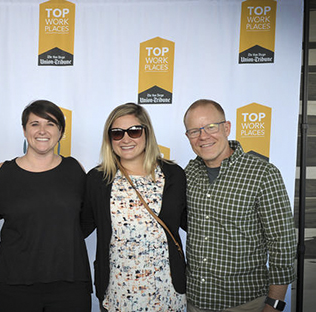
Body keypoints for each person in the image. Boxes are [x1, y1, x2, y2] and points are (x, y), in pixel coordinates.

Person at [183, 99, 296, 312]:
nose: (203, 136)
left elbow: (283, 243)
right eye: (194, 131)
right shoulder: (187, 174)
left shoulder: (263, 174)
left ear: (226, 127)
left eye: (211, 127)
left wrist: (275, 304)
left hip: (246, 303)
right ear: (188, 137)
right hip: (195, 301)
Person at [82, 103, 187, 312]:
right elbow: (79, 228)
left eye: (134, 131)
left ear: (147, 134)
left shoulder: (174, 174)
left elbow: (193, 223)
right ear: (109, 139)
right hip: (117, 294)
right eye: (117, 133)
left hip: (167, 292)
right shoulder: (98, 179)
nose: (126, 139)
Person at [0, 100, 92, 312]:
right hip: (15, 286)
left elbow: (86, 221)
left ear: (61, 131)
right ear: (24, 130)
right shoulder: (3, 173)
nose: (42, 131)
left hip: (70, 284)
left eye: (50, 124)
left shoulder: (74, 169)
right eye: (35, 124)